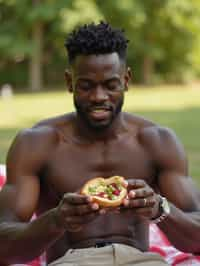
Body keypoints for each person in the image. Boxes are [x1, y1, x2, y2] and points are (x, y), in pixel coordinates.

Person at [0, 22, 199, 266]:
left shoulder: (157, 141)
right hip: (71, 261)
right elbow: (4, 247)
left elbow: (196, 237)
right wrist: (57, 220)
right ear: (69, 82)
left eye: (110, 84)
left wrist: (159, 209)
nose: (98, 96)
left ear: (126, 80)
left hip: (140, 260)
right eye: (86, 85)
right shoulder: (36, 143)